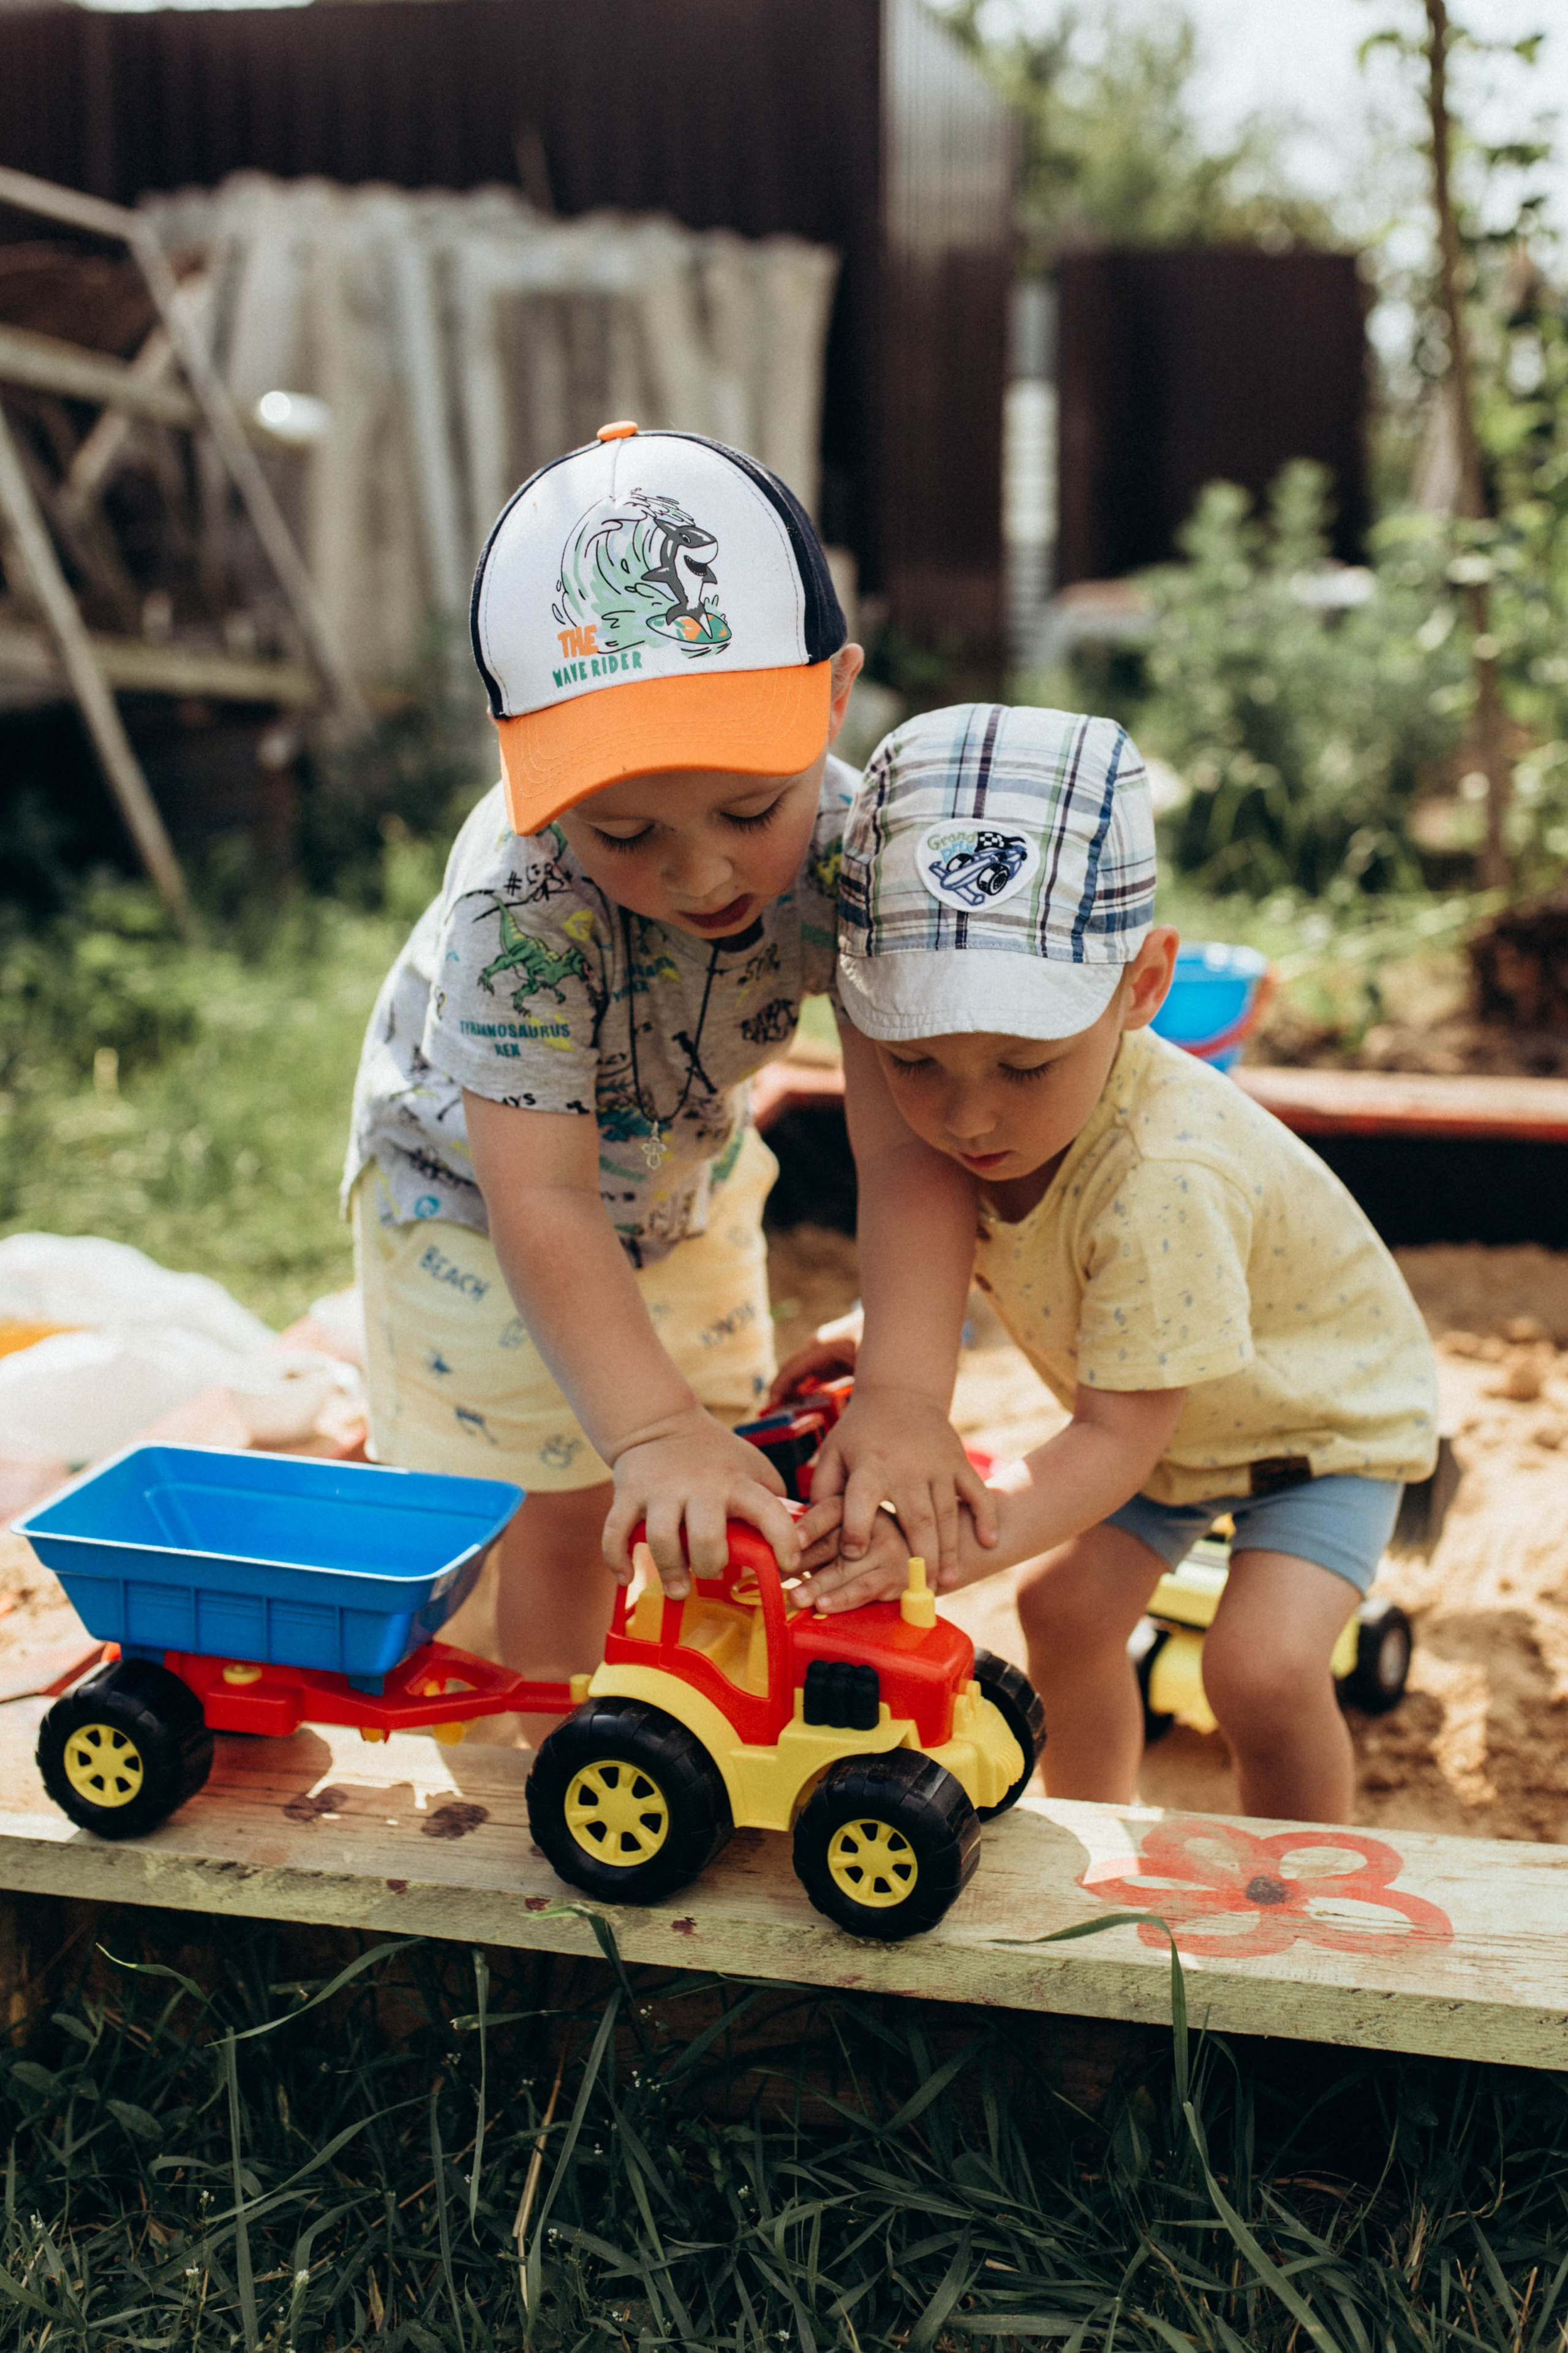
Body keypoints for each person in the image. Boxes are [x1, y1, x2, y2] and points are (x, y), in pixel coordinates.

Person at [342, 424, 986, 1732]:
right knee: (569, 1498)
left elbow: (901, 1145)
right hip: (473, 1207)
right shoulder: (520, 904)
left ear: (833, 695)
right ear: (521, 759)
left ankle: (682, 1708)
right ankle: (557, 1749)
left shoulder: (858, 856)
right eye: (625, 830)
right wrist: (643, 1432)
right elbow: (542, 1201)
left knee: (719, 1452)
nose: (700, 873)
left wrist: (906, 1393)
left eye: (750, 811)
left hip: (681, 1170)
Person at [786, 703, 1438, 1825]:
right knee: (1064, 1613)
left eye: (1024, 1065)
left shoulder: (1161, 1180)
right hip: (1179, 1426)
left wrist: (936, 1546)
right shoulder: (981, 1131)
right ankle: (1094, 1825)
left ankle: (1301, 1878)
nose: (967, 1116)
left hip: (1313, 1435)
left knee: (1260, 1668)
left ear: (1141, 986)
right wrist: (880, 1334)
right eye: (914, 1059)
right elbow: (989, 1253)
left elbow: (1118, 1437)